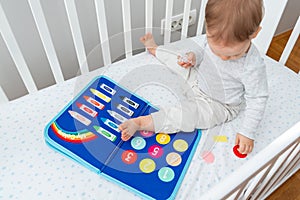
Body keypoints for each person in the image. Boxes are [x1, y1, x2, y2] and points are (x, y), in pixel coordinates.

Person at [119, 0, 268, 155]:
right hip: (199, 79)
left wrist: (247, 133)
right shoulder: (214, 35)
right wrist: (193, 58)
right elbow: (202, 52)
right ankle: (156, 49)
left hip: (219, 104)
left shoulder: (252, 67)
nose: (223, 58)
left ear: (255, 33)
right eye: (216, 51)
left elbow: (258, 99)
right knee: (180, 58)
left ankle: (142, 122)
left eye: (232, 55)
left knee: (186, 116)